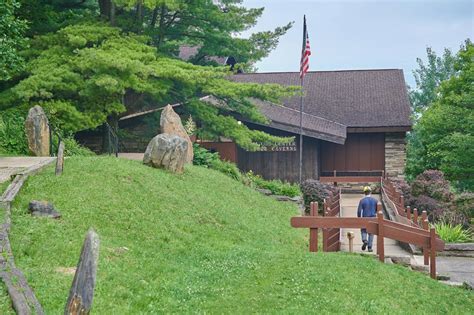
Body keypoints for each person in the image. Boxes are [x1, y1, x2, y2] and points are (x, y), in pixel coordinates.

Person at [357, 186, 378, 252]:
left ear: (364, 193)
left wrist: (359, 218)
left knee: (363, 230)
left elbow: (359, 211)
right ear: (370, 192)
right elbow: (378, 210)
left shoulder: (362, 201)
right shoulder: (375, 200)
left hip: (365, 217)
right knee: (371, 233)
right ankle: (369, 247)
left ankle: (364, 240)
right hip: (373, 218)